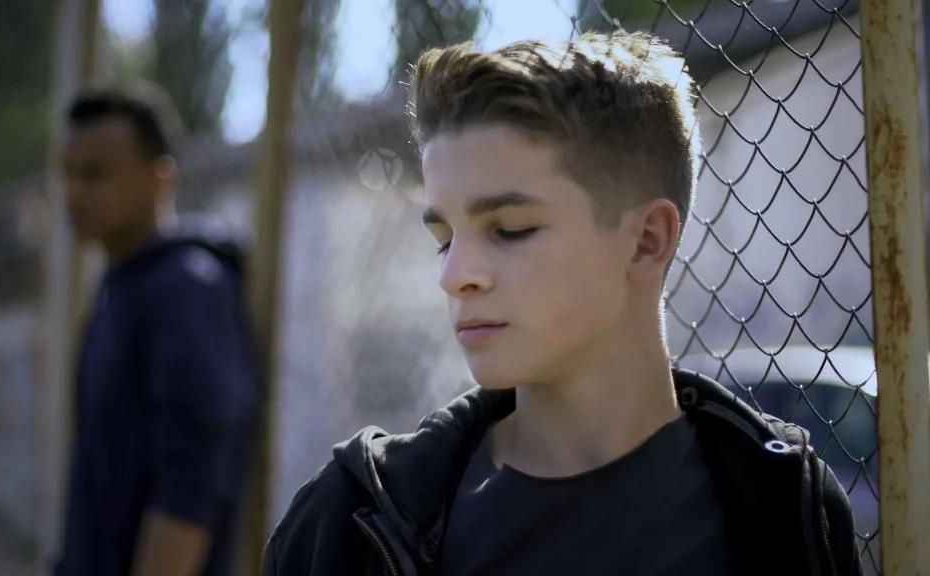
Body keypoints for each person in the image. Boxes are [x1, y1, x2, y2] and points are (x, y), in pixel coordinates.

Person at [261, 31, 862, 576]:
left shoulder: (789, 506)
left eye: (511, 228)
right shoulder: (349, 523)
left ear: (647, 240)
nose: (456, 276)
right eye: (443, 240)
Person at [54, 85, 259, 576]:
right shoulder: (121, 289)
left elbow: (194, 473)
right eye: (68, 174)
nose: (75, 193)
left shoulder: (185, 287)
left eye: (96, 174)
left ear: (160, 179)